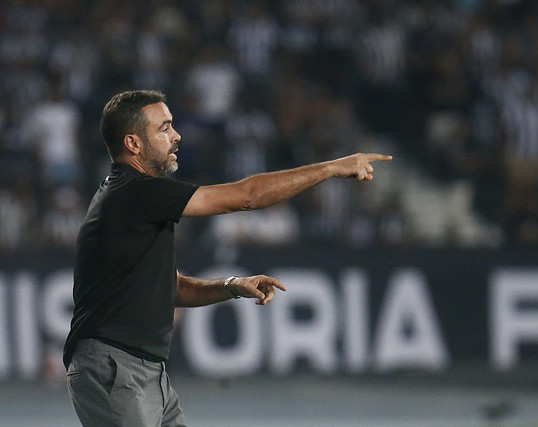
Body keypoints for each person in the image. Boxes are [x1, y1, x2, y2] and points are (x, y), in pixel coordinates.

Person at [63, 89, 392, 426]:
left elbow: (173, 290)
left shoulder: (136, 199)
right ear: (133, 144)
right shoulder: (134, 192)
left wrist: (233, 286)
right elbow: (247, 197)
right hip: (116, 368)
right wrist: (331, 168)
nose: (176, 136)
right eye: (164, 129)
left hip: (145, 372)